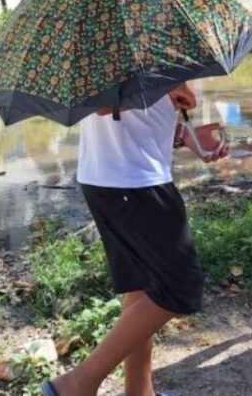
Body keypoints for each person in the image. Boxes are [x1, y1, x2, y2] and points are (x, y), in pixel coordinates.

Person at [44, 83, 228, 396]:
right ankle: (76, 385)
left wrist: (183, 134)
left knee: (143, 287)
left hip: (118, 177)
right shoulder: (111, 38)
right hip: (132, 182)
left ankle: (139, 392)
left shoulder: (138, 42)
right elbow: (102, 103)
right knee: (181, 287)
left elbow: (130, 120)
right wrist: (167, 87)